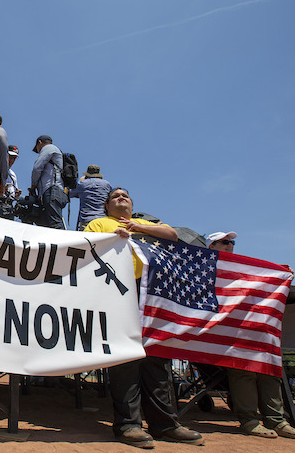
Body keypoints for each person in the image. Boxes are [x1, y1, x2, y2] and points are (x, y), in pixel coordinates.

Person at [85, 188, 204, 448]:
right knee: (126, 359)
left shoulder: (148, 223)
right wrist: (116, 236)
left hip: (154, 294)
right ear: (106, 206)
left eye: (124, 195)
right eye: (115, 196)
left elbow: (172, 235)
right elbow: (89, 247)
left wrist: (137, 227)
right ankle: (129, 425)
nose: (120, 198)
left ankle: (166, 424)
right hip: (120, 290)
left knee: (158, 360)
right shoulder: (98, 223)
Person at [206, 231, 295, 440]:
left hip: (255, 328)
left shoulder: (245, 267)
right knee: (243, 372)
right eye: (224, 242)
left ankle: (276, 420)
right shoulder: (205, 267)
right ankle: (249, 419)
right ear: (211, 246)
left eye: (232, 242)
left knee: (270, 371)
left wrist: (279, 274)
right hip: (227, 330)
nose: (230, 245)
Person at [30, 135, 67, 229]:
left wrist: (33, 186)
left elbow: (37, 167)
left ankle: (63, 242)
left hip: (51, 190)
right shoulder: (56, 151)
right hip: (54, 191)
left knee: (55, 225)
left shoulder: (49, 148)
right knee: (48, 226)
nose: (38, 151)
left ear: (39, 142)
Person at [67, 164, 112, 231]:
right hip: (104, 219)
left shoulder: (82, 184)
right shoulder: (106, 184)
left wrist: (81, 181)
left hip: (87, 220)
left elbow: (69, 194)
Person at [0, 145, 21, 220]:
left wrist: (17, 194)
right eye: (10, 157)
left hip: (9, 207)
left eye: (14, 158)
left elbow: (16, 197)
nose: (12, 160)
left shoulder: (12, 174)